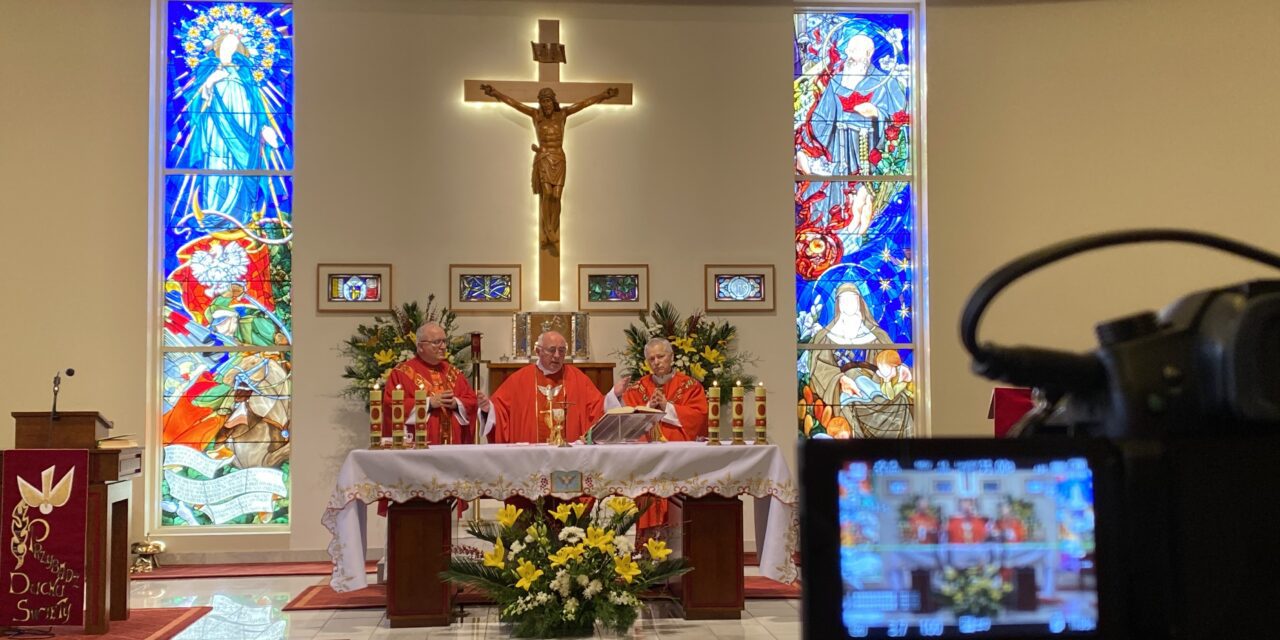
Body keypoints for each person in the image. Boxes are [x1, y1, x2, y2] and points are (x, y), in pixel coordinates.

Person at [479, 84, 619, 257]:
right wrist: (496, 93)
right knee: (547, 194)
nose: (546, 105)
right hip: (544, 157)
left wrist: (603, 95)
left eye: (548, 101)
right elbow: (515, 104)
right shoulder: (535, 115)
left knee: (557, 195)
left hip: (559, 158)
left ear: (553, 102)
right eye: (543, 102)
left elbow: (583, 104)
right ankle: (548, 231)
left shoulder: (562, 115)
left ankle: (552, 228)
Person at [604, 337, 709, 538]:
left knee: (680, 517)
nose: (656, 362)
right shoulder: (638, 388)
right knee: (646, 508)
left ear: (671, 357)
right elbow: (623, 419)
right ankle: (646, 556)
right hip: (647, 464)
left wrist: (667, 408)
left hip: (680, 463)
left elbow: (699, 417)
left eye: (660, 356)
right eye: (651, 359)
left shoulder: (690, 386)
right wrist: (648, 409)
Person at [478, 331, 604, 444]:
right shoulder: (520, 379)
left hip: (568, 457)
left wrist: (614, 395)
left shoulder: (577, 378)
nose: (556, 355)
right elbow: (500, 409)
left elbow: (598, 407)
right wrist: (488, 409)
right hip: (530, 457)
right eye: (552, 350)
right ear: (538, 351)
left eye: (561, 351)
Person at [381, 323, 478, 445]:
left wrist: (456, 404)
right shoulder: (401, 373)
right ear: (420, 346)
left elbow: (472, 402)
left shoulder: (454, 373)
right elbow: (392, 405)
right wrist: (428, 403)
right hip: (419, 446)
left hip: (453, 446)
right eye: (437, 342)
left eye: (444, 341)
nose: (443, 346)